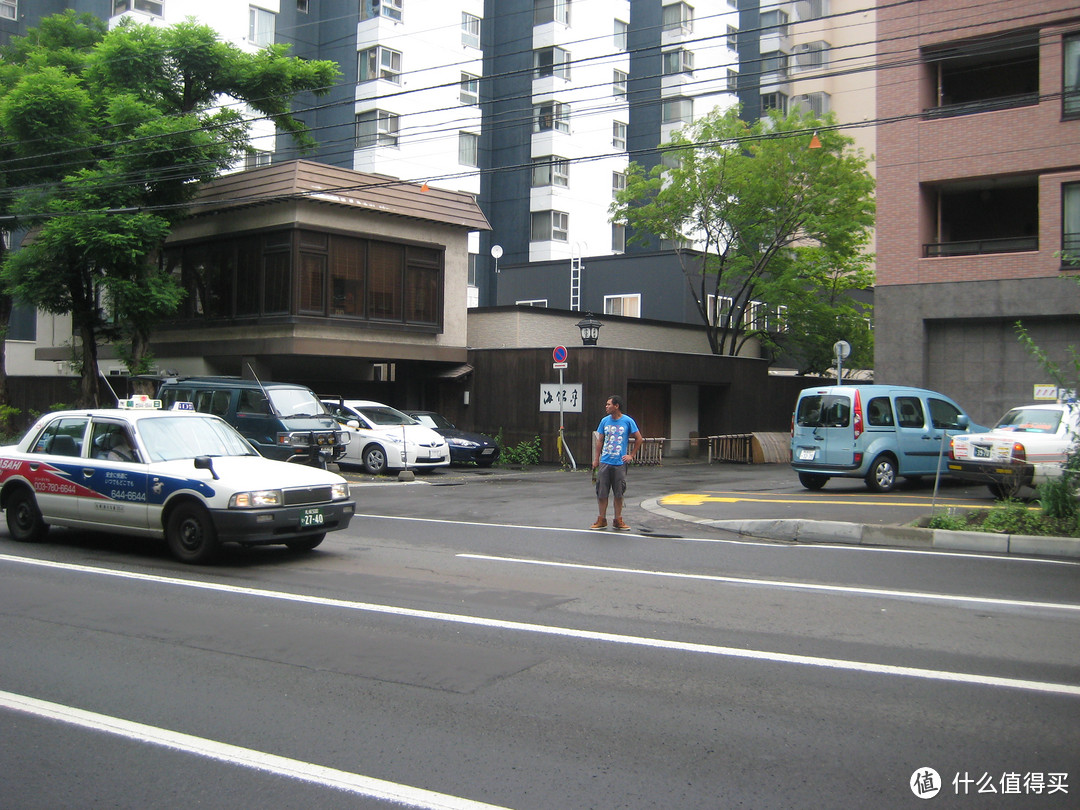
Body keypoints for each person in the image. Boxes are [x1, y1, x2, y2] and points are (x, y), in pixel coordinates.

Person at [591, 394, 643, 530]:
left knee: (619, 493)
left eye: (609, 404)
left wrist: (631, 455)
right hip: (605, 462)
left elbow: (639, 438)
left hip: (619, 464)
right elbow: (600, 440)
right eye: (606, 404)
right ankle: (601, 519)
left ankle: (618, 519)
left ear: (616, 406)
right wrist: (596, 459)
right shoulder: (604, 421)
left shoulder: (627, 421)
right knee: (602, 492)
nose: (606, 407)